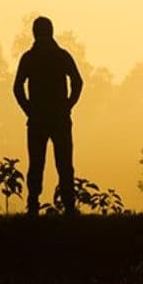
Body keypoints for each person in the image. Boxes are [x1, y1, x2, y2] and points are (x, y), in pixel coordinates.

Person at [12, 15, 84, 215]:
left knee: (37, 163)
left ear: (35, 33)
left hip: (38, 119)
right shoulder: (61, 56)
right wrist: (68, 105)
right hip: (59, 118)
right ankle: (68, 206)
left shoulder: (30, 57)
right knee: (64, 164)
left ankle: (33, 204)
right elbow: (78, 82)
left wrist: (29, 109)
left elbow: (18, 87)